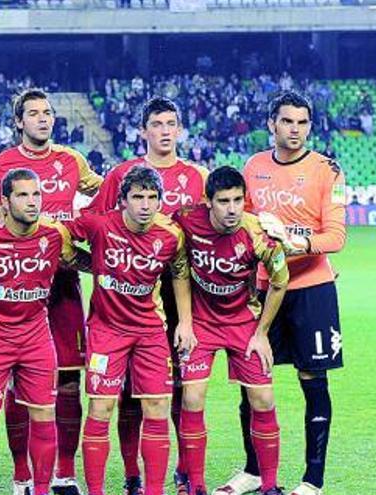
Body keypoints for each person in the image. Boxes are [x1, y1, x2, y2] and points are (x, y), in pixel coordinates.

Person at [0, 89, 102, 495]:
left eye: (48, 113)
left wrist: (84, 221)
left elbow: (105, 196)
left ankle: (64, 474)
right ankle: (21, 476)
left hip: (62, 287)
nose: (43, 119)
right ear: (18, 121)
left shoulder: (71, 161)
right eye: (34, 113)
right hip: (10, 293)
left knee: (69, 382)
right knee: (13, 389)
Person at [218, 91, 346, 495]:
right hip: (262, 289)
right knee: (252, 378)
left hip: (312, 289)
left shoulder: (328, 170)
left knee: (313, 379)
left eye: (303, 122)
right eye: (287, 121)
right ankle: (253, 471)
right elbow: (243, 223)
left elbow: (337, 236)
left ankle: (312, 480)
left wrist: (296, 243)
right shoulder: (253, 166)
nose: (296, 130)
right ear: (272, 124)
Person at [84, 96, 208, 495]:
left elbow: (219, 231)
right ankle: (132, 475)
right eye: (157, 123)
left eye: (172, 123)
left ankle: (186, 471)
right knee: (123, 398)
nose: (166, 130)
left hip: (180, 301)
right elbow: (93, 226)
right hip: (124, 302)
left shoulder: (196, 177)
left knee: (180, 393)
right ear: (144, 130)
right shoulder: (120, 175)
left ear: (181, 128)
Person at [0, 168, 89, 495]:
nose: (32, 201)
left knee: (44, 416)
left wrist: (115, 268)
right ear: (4, 202)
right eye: (23, 195)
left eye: (36, 194)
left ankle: (39, 489)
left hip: (36, 340)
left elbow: (79, 258)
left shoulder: (53, 235)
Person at [64, 166, 193, 495]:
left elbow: (179, 273)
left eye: (152, 198)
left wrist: (186, 323)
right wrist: (83, 261)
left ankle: (153, 491)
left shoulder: (170, 235)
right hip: (107, 331)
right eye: (138, 197)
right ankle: (96, 491)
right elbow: (58, 234)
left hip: (150, 331)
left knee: (157, 408)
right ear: (123, 200)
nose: (145, 205)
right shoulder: (99, 225)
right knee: (101, 408)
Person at [173, 166, 289, 495]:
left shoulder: (258, 233)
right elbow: (179, 268)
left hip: (243, 323)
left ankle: (269, 486)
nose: (232, 208)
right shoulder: (186, 219)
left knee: (263, 399)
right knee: (192, 398)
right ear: (208, 202)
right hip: (203, 324)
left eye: (238, 200)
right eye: (224, 201)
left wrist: (261, 332)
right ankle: (194, 485)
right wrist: (185, 321)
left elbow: (280, 283)